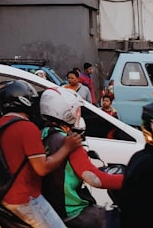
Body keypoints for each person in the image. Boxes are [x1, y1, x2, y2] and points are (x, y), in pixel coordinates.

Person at [0, 80, 81, 228]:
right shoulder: (27, 128)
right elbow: (42, 168)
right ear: (24, 101)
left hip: (5, 196)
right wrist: (67, 147)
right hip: (26, 198)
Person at [39, 87, 123, 228]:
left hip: (48, 210)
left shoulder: (41, 136)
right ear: (65, 111)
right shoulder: (70, 142)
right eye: (76, 110)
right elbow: (95, 179)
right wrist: (130, 180)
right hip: (73, 211)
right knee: (118, 220)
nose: (78, 114)